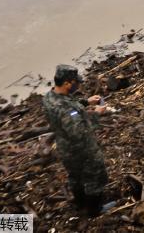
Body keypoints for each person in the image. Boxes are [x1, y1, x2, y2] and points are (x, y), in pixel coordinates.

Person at [42, 64, 109, 215]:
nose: (77, 85)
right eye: (75, 83)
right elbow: (77, 131)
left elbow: (68, 106)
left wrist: (86, 102)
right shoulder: (65, 109)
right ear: (66, 83)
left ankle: (80, 203)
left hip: (64, 148)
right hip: (81, 150)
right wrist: (96, 113)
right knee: (94, 176)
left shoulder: (49, 98)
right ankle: (95, 210)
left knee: (75, 177)